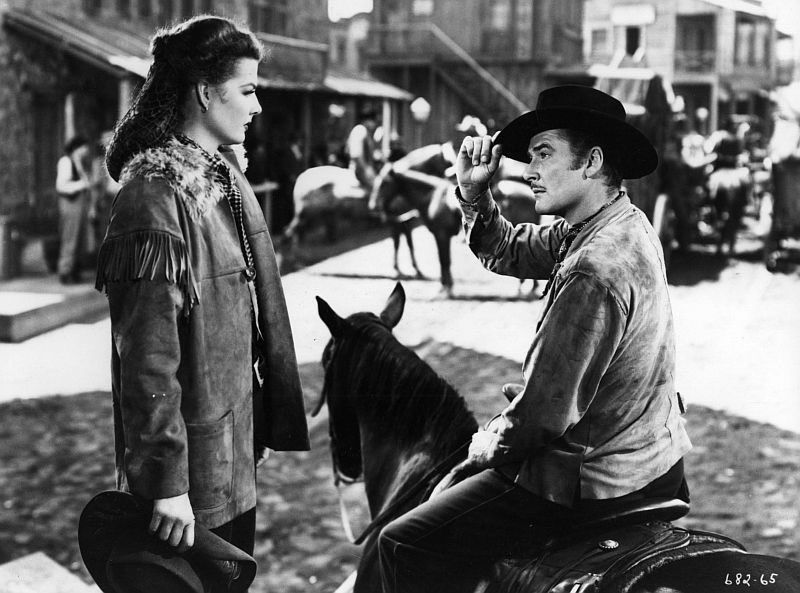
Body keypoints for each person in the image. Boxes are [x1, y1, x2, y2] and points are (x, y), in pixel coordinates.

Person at [378, 85, 692, 593]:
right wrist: (474, 193)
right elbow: (508, 247)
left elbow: (541, 418)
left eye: (543, 154)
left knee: (400, 543)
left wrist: (486, 442)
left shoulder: (593, 267)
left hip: (593, 476)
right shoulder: (619, 223)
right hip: (651, 456)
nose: (528, 170)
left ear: (591, 162)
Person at [94, 15, 310, 590]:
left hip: (229, 457)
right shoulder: (154, 195)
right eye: (248, 90)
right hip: (186, 486)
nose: (257, 106)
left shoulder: (224, 182)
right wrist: (165, 484)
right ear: (205, 92)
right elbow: (147, 360)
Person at [55, 135, 92, 284]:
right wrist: (81, 185)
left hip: (80, 203)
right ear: (77, 148)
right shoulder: (66, 162)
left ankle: (75, 270)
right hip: (71, 202)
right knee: (70, 236)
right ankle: (65, 271)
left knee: (80, 238)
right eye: (84, 147)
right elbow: (61, 186)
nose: (86, 150)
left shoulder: (79, 162)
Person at [346, 107, 380, 187]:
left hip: (363, 171)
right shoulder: (360, 130)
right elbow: (356, 154)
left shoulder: (366, 133)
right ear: (367, 120)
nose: (374, 125)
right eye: (374, 122)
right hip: (359, 173)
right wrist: (366, 170)